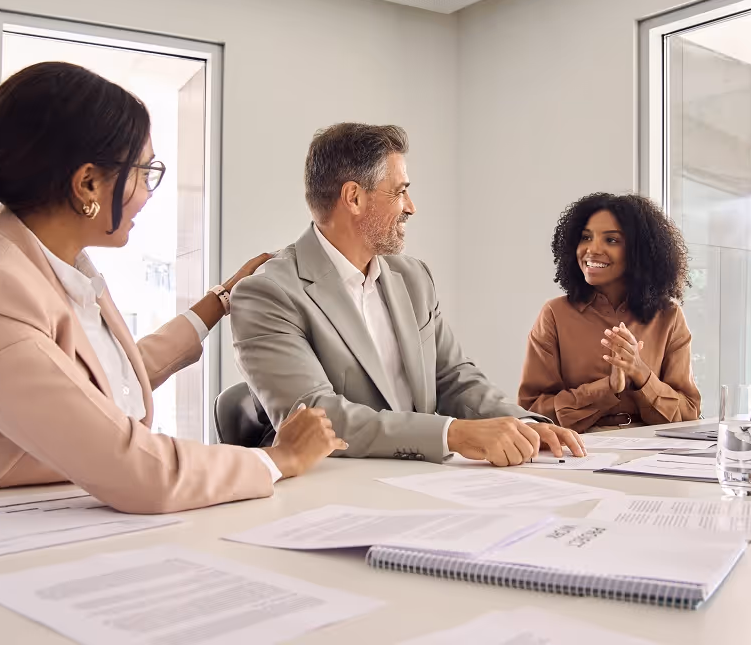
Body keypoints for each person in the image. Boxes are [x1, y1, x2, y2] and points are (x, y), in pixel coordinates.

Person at [0, 62, 344, 514]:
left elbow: (105, 380)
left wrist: (220, 302)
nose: (148, 193)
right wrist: (275, 459)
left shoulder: (60, 271)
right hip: (6, 540)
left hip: (82, 518)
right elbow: (135, 468)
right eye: (144, 173)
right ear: (87, 183)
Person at [230, 123, 585, 466]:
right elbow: (318, 417)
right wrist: (453, 434)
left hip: (425, 482)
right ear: (354, 197)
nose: (411, 206)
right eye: (400, 191)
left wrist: (526, 425)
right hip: (336, 492)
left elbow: (453, 377)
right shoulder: (267, 294)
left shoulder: (413, 277)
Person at [517, 193, 700, 433]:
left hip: (655, 449)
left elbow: (689, 413)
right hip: (580, 450)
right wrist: (608, 387)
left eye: (612, 240)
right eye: (585, 237)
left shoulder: (669, 316)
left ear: (640, 251)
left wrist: (640, 372)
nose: (592, 250)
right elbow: (533, 412)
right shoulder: (555, 314)